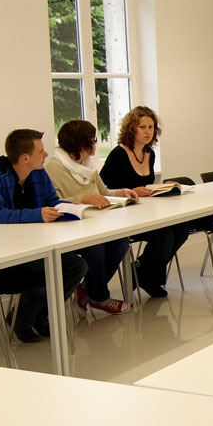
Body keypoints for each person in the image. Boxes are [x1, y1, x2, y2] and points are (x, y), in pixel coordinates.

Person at [0, 129, 87, 343]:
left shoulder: (38, 171)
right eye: (41, 150)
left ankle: (39, 315)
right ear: (25, 157)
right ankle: (23, 319)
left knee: (78, 266)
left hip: (38, 243)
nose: (46, 154)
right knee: (49, 268)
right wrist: (36, 214)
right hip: (6, 248)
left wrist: (75, 207)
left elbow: (52, 201)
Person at [45, 119, 139, 316]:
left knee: (121, 242)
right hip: (70, 226)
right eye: (93, 139)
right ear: (80, 143)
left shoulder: (88, 165)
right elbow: (54, 201)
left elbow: (104, 192)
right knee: (96, 246)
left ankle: (88, 290)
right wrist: (83, 198)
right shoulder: (53, 167)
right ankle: (99, 297)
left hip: (97, 222)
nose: (96, 143)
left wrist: (121, 193)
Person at [99, 106, 189, 298]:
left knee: (181, 229)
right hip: (121, 215)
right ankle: (147, 276)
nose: (148, 132)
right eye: (143, 127)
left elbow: (144, 185)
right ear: (132, 128)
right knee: (164, 236)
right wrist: (129, 192)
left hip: (143, 212)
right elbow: (103, 190)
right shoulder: (118, 155)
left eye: (151, 127)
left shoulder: (150, 154)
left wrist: (163, 186)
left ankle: (142, 273)